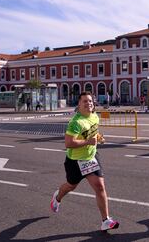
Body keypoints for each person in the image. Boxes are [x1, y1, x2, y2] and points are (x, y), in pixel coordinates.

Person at [50, 91, 119, 231]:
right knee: (70, 186)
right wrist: (88, 141)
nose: (88, 103)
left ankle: (105, 220)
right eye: (85, 101)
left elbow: (93, 133)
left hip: (91, 157)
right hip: (75, 160)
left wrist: (98, 137)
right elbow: (69, 143)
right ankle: (57, 197)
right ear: (79, 105)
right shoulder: (76, 122)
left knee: (100, 187)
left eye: (90, 101)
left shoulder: (94, 116)